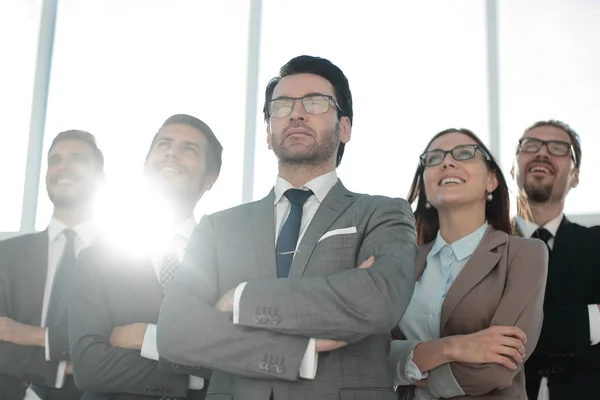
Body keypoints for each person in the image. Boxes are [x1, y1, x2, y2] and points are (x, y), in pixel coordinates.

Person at [156, 55, 418, 400]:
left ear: (344, 128)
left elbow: (380, 298)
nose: (296, 113)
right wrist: (295, 356)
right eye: (281, 106)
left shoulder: (383, 213)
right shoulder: (218, 227)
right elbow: (176, 330)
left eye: (315, 102)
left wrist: (242, 299)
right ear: (268, 133)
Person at [68, 114, 222, 399]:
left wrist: (147, 338)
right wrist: (193, 375)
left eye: (190, 149)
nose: (172, 153)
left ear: (210, 179)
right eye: (164, 144)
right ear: (146, 164)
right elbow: (89, 367)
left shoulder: (228, 260)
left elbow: (240, 355)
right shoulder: (97, 257)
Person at [390, 128, 547, 399]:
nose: (447, 162)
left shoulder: (525, 254)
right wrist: (454, 347)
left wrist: (404, 370)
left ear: (491, 181)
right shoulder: (400, 261)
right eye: (434, 158)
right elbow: (369, 355)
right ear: (426, 183)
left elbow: (497, 368)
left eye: (465, 154)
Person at [0, 130, 105, 400]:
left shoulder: (128, 262)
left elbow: (115, 343)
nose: (63, 167)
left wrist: (35, 335)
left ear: (100, 180)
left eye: (76, 158)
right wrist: (57, 370)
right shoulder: (6, 254)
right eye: (54, 160)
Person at [511, 120, 600, 400]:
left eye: (559, 148)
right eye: (531, 145)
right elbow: (477, 329)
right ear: (513, 168)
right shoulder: (481, 247)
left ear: (575, 176)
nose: (543, 153)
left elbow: (506, 334)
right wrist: (591, 321)